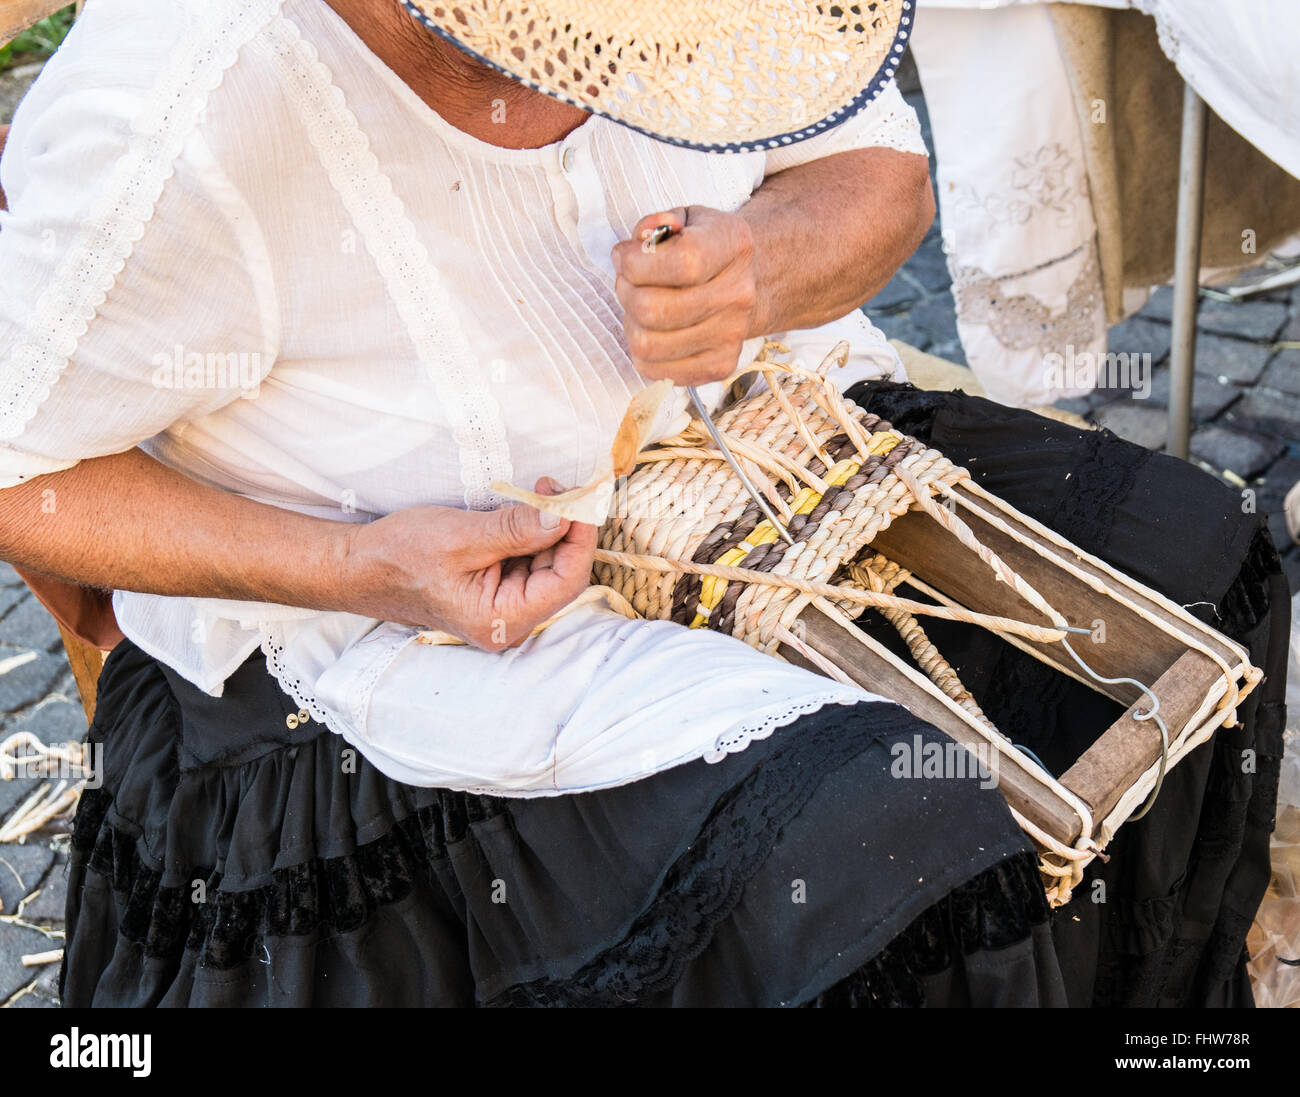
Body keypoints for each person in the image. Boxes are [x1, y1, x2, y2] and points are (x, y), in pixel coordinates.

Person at [0, 0, 1281, 1007]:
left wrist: (763, 266)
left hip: (730, 447)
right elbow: (22, 470)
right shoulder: (178, 113)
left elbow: (877, 173)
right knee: (887, 841)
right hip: (395, 637)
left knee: (1201, 560)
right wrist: (358, 564)